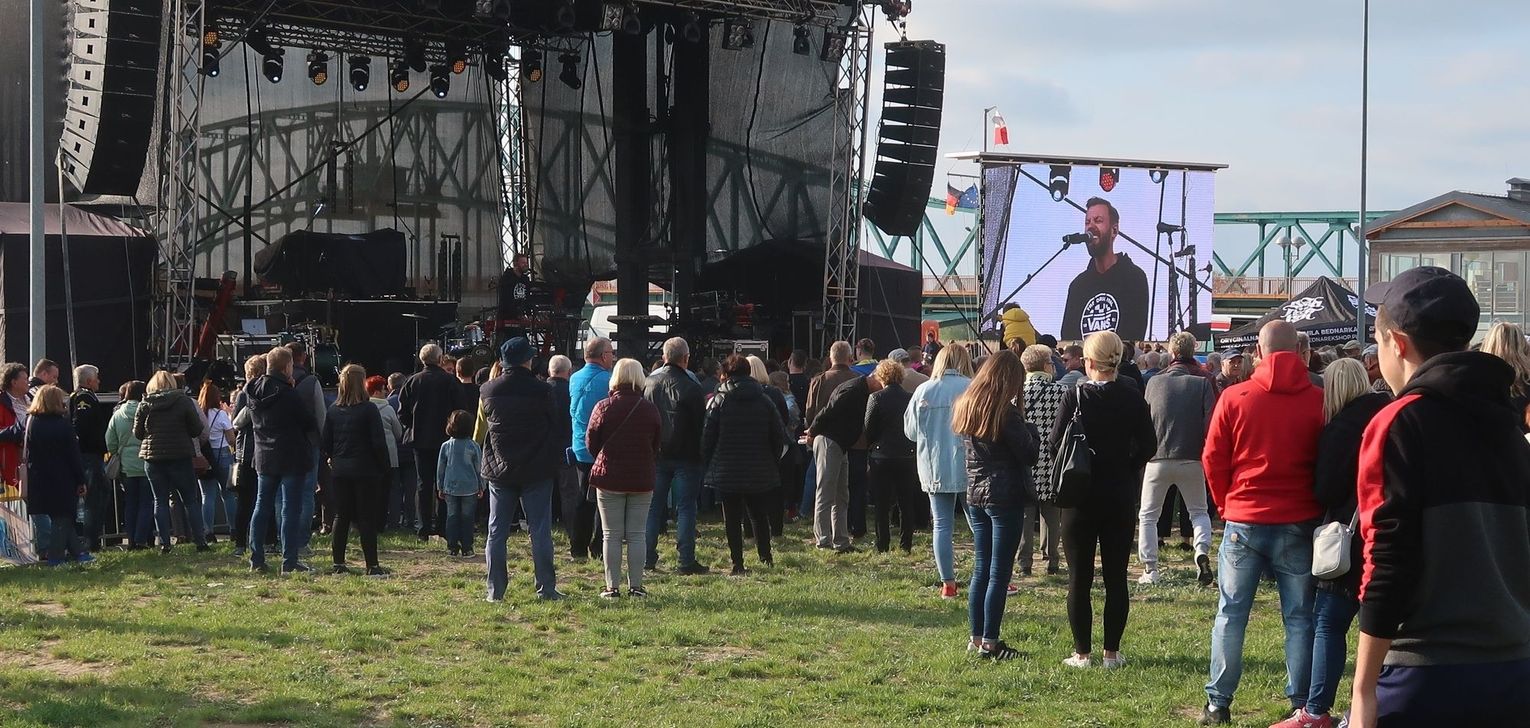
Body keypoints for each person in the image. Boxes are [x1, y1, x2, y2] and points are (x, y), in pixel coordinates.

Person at [1347, 267, 1530, 726]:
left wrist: (1363, 690)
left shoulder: (1399, 422)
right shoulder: (1510, 426)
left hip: (1424, 675)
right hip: (1514, 669)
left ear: (1397, 344)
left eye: (1377, 339)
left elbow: (1387, 561)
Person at [1200, 320, 1326, 725]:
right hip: (1299, 518)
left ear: (1258, 351)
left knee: (1231, 613)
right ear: (1301, 353)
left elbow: (1213, 457)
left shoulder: (1235, 396)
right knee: (1300, 617)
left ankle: (1218, 703)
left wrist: (1226, 504)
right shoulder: (1319, 400)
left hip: (1244, 516)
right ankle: (1301, 702)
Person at [1269, 359, 1389, 728]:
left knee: (1328, 621)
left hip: (1348, 538)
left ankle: (1316, 709)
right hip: (1389, 532)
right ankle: (1375, 703)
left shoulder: (1339, 429)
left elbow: (1326, 490)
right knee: (1384, 626)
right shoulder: (1390, 413)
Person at [1050, 331, 1155, 669]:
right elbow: (1149, 445)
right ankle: (1112, 652)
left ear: (1089, 361)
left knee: (1078, 578)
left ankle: (1082, 653)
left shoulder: (1075, 396)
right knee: (1116, 577)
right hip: (1118, 493)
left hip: (1079, 496)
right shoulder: (1132, 397)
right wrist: (1127, 465)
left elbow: (1055, 443)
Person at [953, 350, 1038, 660]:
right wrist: (1032, 430)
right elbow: (1029, 454)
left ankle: (976, 637)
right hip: (1004, 495)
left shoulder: (968, 404)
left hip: (975, 492)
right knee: (999, 573)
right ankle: (990, 642)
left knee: (982, 568)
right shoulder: (1006, 413)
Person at [480, 337, 565, 601]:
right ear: (527, 360)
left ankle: (495, 591)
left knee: (497, 531)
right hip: (536, 467)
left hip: (500, 467)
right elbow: (555, 424)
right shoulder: (543, 390)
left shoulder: (487, 390)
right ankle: (546, 588)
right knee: (539, 530)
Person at [1138, 331, 1217, 587]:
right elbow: (1210, 425)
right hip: (1191, 457)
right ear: (1194, 351)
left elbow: (1145, 421)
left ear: (1171, 353)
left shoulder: (1153, 383)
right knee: (1199, 512)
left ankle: (1150, 568)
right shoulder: (1202, 383)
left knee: (1148, 515)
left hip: (1157, 457)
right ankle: (1201, 550)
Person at [702, 354, 789, 575]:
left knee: (731, 519)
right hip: (759, 466)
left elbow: (708, 436)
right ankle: (765, 557)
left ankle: (737, 563)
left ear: (726, 374)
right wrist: (771, 460)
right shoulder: (764, 400)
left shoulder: (719, 401)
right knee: (759, 515)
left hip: (727, 468)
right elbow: (778, 434)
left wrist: (709, 461)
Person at [587, 358, 662, 597]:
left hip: (609, 476)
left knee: (611, 534)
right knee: (637, 534)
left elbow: (591, 442)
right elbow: (656, 443)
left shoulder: (603, 407)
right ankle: (636, 586)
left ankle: (612, 587)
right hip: (641, 477)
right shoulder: (649, 409)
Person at [905, 344, 974, 598]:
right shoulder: (971, 387)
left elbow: (911, 432)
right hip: (968, 463)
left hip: (934, 464)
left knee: (942, 525)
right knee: (978, 524)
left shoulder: (924, 389)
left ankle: (948, 583)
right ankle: (991, 576)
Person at [246, 347, 318, 574]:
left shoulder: (251, 389)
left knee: (261, 506)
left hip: (263, 455)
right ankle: (289, 561)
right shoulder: (289, 393)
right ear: (287, 367)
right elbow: (308, 422)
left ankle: (256, 559)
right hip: (290, 455)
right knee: (290, 509)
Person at [806, 343, 879, 553]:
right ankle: (831, 539)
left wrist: (811, 430)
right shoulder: (856, 382)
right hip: (842, 441)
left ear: (831, 357)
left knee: (831, 490)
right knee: (838, 492)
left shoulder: (820, 380)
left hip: (833, 439)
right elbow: (830, 410)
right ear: (850, 357)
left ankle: (832, 539)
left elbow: (812, 411)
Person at [322, 364, 391, 575]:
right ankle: (372, 565)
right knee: (366, 517)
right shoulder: (369, 409)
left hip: (340, 469)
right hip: (365, 469)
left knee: (341, 516)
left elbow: (326, 443)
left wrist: (334, 458)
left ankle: (338, 563)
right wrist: (384, 466)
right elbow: (378, 442)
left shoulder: (333, 410)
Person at [133, 371, 210, 554]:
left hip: (153, 458)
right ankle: (200, 541)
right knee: (190, 500)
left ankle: (165, 543)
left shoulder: (145, 404)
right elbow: (196, 429)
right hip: (180, 455)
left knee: (160, 501)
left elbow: (137, 433)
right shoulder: (183, 401)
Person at [1060, 197, 1149, 341]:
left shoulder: (1134, 277)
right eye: (1087, 222)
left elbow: (1134, 335)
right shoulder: (1078, 286)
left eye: (1098, 220)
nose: (1091, 226)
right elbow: (1068, 339)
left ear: (1114, 230)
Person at [23, 385, 93, 565]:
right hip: (62, 477)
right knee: (62, 517)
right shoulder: (63, 425)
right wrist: (81, 479)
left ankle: (79, 553)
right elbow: (73, 455)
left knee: (60, 517)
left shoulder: (31, 422)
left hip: (38, 476)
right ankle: (56, 557)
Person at [398, 343, 458, 542]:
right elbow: (459, 409)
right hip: (445, 438)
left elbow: (402, 412)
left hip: (420, 439)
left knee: (423, 483)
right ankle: (442, 527)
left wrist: (412, 425)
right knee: (444, 483)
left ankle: (423, 527)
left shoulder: (412, 381)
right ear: (440, 359)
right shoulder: (450, 381)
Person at [862, 360, 920, 553]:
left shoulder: (876, 398)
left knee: (882, 503)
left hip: (882, 455)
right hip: (906, 454)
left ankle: (883, 543)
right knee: (906, 502)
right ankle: (906, 544)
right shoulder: (910, 397)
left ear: (881, 376)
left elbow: (869, 427)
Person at [1018, 345, 1066, 577]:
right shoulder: (1061, 391)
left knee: (1026, 513)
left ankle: (1024, 561)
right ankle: (1052, 559)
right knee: (1052, 513)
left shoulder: (1017, 392)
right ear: (1046, 366)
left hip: (1026, 459)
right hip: (1053, 459)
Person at [569, 336, 615, 561]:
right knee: (602, 500)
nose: (613, 357)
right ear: (604, 356)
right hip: (602, 448)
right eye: (611, 352)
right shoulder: (609, 380)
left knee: (582, 498)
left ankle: (577, 547)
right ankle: (598, 546)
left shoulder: (574, 378)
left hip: (579, 446)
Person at [285, 342, 327, 553]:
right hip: (309, 442)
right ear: (303, 357)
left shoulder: (273, 382)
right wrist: (324, 441)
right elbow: (321, 415)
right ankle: (302, 541)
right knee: (307, 492)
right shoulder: (311, 382)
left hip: (281, 444)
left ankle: (284, 538)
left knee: (283, 494)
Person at [68, 364, 112, 551]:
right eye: (96, 378)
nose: (99, 381)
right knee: (94, 499)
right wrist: (99, 443)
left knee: (99, 495)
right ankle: (90, 541)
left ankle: (91, 539)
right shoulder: (83, 398)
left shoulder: (82, 396)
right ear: (89, 381)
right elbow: (82, 426)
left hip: (89, 455)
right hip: (89, 455)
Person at [106, 380, 152, 550]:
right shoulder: (148, 411)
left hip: (126, 465)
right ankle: (141, 539)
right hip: (146, 461)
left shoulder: (118, 415)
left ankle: (131, 539)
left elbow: (110, 440)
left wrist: (117, 451)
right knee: (146, 503)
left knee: (130, 503)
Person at [229, 356, 265, 557]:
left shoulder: (245, 394)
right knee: (263, 498)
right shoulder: (270, 390)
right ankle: (268, 540)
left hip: (246, 451)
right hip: (263, 449)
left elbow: (235, 422)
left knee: (244, 500)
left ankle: (240, 543)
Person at [436, 410, 483, 559]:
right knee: (468, 518)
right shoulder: (473, 446)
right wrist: (481, 486)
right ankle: (467, 548)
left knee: (452, 516)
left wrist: (440, 486)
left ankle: (452, 547)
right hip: (470, 487)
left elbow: (441, 468)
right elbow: (479, 468)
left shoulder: (446, 446)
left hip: (450, 486)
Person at [196, 381, 237, 545]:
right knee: (228, 494)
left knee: (207, 496)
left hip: (205, 456)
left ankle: (208, 531)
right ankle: (234, 529)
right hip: (223, 454)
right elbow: (231, 439)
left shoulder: (199, 414)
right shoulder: (220, 415)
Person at [365, 375, 403, 533]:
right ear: (377, 391)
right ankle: (390, 523)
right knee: (390, 490)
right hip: (389, 455)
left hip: (369, 457)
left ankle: (369, 522)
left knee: (370, 492)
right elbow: (398, 432)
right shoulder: (388, 409)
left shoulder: (364, 409)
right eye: (383, 389)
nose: (386, 391)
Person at [546, 355, 578, 530]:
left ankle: (546, 525)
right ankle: (571, 527)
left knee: (544, 491)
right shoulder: (572, 391)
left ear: (549, 371)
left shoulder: (541, 391)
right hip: (567, 447)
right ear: (569, 371)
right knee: (569, 493)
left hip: (544, 448)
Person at [1480, 320, 1530, 433]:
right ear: (1522, 346)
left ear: (1489, 344)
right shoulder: (1526, 381)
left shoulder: (1476, 378)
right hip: (1521, 440)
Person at [0, 363, 30, 503]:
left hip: (33, 461)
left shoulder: (31, 399)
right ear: (14, 382)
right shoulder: (2, 403)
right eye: (25, 379)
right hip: (10, 463)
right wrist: (20, 429)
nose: (28, 381)